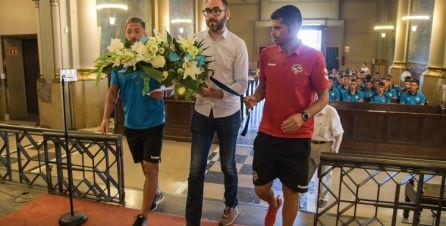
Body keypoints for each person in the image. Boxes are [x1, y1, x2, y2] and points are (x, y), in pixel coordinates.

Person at [244, 5, 329, 226]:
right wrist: (255, 97)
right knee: (260, 188)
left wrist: (303, 116)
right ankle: (273, 203)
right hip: (268, 133)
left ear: (296, 27)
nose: (273, 33)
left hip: (297, 138)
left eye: (278, 28)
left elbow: (323, 98)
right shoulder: (267, 53)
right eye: (272, 28)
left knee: (293, 193)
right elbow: (263, 87)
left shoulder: (314, 57)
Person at [99, 17, 171, 226]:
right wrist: (105, 118)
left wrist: (164, 91)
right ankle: (155, 191)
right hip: (131, 124)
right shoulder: (119, 63)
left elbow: (172, 86)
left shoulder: (156, 58)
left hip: (154, 122)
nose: (132, 35)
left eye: (137, 31)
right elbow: (112, 94)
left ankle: (143, 215)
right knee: (144, 165)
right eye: (129, 31)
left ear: (145, 33)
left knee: (151, 168)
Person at [185, 0, 249, 225]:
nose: (211, 15)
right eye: (208, 11)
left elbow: (242, 84)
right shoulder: (195, 41)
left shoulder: (237, 44)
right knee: (195, 170)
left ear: (227, 14)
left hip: (228, 113)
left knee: (228, 165)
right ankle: (192, 220)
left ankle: (231, 205)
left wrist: (218, 94)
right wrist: (194, 87)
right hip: (202, 111)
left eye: (216, 10)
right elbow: (186, 73)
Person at [308, 104, 343, 208]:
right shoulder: (309, 109)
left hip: (326, 146)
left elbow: (339, 133)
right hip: (310, 144)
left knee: (326, 174)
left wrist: (336, 148)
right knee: (306, 172)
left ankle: (323, 198)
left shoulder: (331, 111)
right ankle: (300, 194)